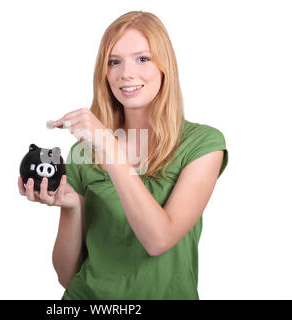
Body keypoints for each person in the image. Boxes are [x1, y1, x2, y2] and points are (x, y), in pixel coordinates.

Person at [17, 10, 228, 300]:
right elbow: (67, 276)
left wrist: (109, 145)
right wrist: (71, 207)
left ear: (164, 66)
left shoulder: (202, 143)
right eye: (114, 61)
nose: (126, 73)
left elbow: (158, 240)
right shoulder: (85, 151)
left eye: (142, 58)